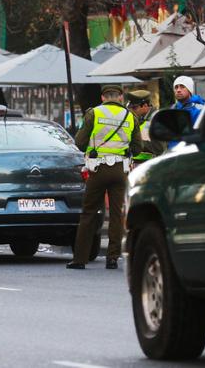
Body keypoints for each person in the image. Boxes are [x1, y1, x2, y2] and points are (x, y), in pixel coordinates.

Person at [67, 84, 142, 270]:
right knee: (117, 214)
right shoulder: (130, 116)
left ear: (102, 97)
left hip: (97, 170)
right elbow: (137, 148)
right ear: (120, 97)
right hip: (120, 171)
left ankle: (80, 259)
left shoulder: (94, 113)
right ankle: (113, 258)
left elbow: (80, 143)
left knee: (89, 213)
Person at [126, 90, 166, 164]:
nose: (131, 110)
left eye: (134, 108)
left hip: (150, 165)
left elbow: (160, 148)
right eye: (130, 107)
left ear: (145, 106)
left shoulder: (157, 120)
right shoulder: (133, 118)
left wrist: (137, 143)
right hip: (134, 164)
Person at [169, 76, 205, 149]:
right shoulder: (172, 109)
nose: (178, 90)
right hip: (173, 152)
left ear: (189, 90)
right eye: (176, 87)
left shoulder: (199, 109)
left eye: (182, 87)